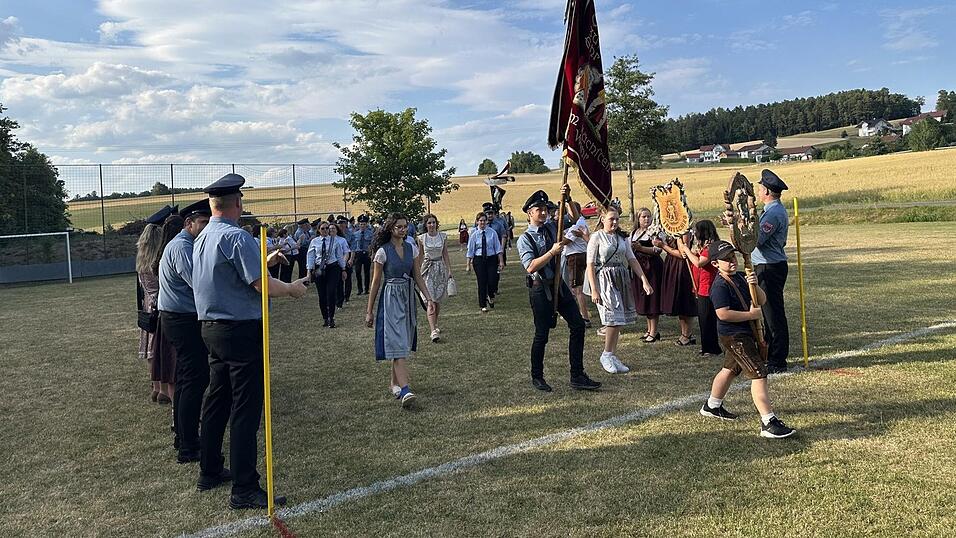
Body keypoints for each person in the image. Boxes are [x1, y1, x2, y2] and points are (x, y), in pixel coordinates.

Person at [192, 173, 309, 509]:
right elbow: (261, 285)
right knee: (245, 408)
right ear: (238, 204)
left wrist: (266, 262)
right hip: (240, 330)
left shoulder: (202, 237)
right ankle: (244, 487)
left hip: (211, 327)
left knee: (218, 399)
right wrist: (290, 289)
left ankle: (210, 469)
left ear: (213, 205)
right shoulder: (237, 237)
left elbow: (227, 275)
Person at [699, 240, 796, 439]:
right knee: (759, 372)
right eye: (726, 260)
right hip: (734, 336)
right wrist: (751, 316)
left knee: (730, 369)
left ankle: (712, 405)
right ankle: (768, 421)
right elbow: (723, 314)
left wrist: (754, 285)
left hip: (745, 333)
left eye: (733, 257)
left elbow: (761, 300)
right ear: (715, 264)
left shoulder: (741, 278)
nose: (732, 262)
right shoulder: (719, 286)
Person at [517, 188, 601, 392]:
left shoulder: (553, 227)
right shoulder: (525, 239)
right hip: (540, 289)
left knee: (578, 325)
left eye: (546, 209)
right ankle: (537, 376)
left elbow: (576, 219)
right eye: (539, 209)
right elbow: (530, 266)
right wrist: (551, 252)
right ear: (530, 213)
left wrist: (569, 199)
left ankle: (577, 375)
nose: (544, 213)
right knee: (542, 335)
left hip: (559, 285)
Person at [158, 199, 211, 464]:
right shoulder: (182, 247)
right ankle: (189, 445)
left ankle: (183, 436)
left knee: (187, 379)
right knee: (194, 379)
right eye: (202, 223)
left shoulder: (184, 244)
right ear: (188, 223)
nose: (205, 227)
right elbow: (198, 283)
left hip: (179, 317)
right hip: (182, 319)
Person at [364, 214, 434, 408]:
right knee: (397, 341)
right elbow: (376, 282)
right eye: (399, 227)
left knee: (403, 339)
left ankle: (394, 383)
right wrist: (369, 311)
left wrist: (428, 298)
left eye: (405, 227)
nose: (402, 230)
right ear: (391, 229)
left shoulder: (411, 249)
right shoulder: (382, 252)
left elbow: (417, 275)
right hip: (391, 298)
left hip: (407, 297)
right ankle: (405, 389)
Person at [585, 205, 653, 374]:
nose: (615, 222)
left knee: (619, 319)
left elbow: (632, 260)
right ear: (602, 219)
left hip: (620, 278)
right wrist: (594, 289)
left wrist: (644, 280)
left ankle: (612, 354)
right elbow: (590, 264)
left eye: (617, 219)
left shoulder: (622, 238)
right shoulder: (597, 237)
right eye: (611, 219)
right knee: (613, 318)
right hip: (604, 280)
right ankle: (606, 354)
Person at [752, 169, 791, 373]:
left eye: (760, 188)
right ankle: (770, 354)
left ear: (766, 190)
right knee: (769, 314)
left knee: (773, 314)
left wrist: (744, 230)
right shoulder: (771, 210)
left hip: (769, 267)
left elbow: (757, 240)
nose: (758, 191)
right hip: (768, 265)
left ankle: (777, 360)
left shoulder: (773, 213)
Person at [137, 211, 175, 405]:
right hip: (160, 305)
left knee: (151, 350)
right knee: (161, 349)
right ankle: (165, 390)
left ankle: (156, 387)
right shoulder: (158, 261)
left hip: (147, 305)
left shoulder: (141, 260)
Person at [679, 220, 723, 357]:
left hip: (708, 287)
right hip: (700, 286)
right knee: (703, 319)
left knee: (708, 319)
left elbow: (699, 263)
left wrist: (686, 249)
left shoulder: (711, 247)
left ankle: (712, 348)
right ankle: (706, 347)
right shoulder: (704, 246)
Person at [655, 233, 698, 346]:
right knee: (679, 302)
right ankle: (684, 333)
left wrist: (663, 246)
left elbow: (682, 253)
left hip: (681, 267)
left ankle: (687, 335)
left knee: (684, 301)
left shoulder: (684, 232)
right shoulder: (671, 230)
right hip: (672, 263)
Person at [630, 208, 664, 343]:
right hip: (639, 268)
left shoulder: (655, 232)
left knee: (652, 299)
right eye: (643, 216)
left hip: (652, 267)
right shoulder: (634, 233)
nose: (646, 219)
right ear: (638, 219)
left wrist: (641, 248)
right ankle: (649, 330)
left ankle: (654, 332)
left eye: (648, 216)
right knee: (643, 298)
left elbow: (658, 250)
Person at [417, 214, 451, 342]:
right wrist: (417, 273)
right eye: (429, 223)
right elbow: (419, 256)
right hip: (427, 270)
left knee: (437, 300)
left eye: (433, 222)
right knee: (429, 300)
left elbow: (445, 254)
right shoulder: (421, 239)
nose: (431, 225)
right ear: (425, 225)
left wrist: (449, 270)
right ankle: (433, 331)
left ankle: (435, 324)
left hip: (440, 269)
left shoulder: (442, 237)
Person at [307, 221, 343, 328]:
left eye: (327, 228)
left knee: (331, 292)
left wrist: (344, 268)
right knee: (322, 295)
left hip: (333, 268)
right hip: (319, 269)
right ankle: (325, 318)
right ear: (318, 230)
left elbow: (339, 256)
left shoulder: (335, 241)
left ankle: (331, 317)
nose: (326, 230)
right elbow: (310, 256)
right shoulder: (314, 241)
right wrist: (309, 270)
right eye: (323, 228)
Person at [562, 201, 592, 328]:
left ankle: (585, 318)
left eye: (569, 209)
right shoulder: (580, 222)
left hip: (576, 257)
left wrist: (556, 237)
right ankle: (582, 313)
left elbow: (567, 241)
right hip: (581, 255)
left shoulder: (577, 225)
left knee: (577, 289)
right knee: (579, 288)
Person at [466, 212, 503, 312]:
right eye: (480, 221)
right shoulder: (474, 234)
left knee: (492, 280)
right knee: (482, 282)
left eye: (484, 220)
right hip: (479, 260)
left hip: (491, 259)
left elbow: (498, 248)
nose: (482, 222)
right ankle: (483, 305)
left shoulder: (492, 232)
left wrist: (501, 261)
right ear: (477, 222)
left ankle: (490, 295)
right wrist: (468, 264)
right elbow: (470, 250)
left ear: (486, 221)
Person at [329, 221, 352, 308]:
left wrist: (343, 263)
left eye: (333, 228)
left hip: (340, 264)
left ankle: (339, 303)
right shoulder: (326, 240)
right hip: (330, 265)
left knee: (339, 284)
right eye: (330, 229)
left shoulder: (342, 240)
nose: (331, 230)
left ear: (337, 230)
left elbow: (346, 252)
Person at [350, 215, 375, 295]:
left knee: (366, 272)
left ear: (366, 224)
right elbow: (353, 246)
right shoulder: (355, 234)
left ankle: (366, 289)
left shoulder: (370, 233)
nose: (362, 226)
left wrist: (372, 254)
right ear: (358, 224)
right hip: (358, 254)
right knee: (357, 271)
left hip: (366, 254)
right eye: (361, 224)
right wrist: (352, 257)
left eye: (364, 224)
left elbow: (372, 245)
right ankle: (359, 289)